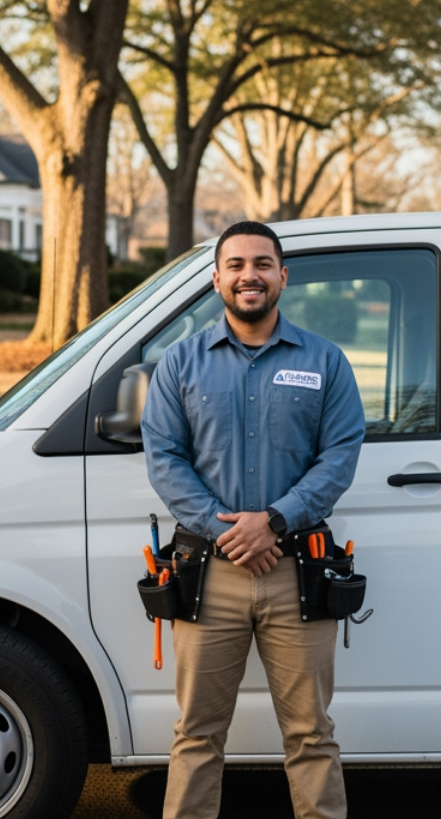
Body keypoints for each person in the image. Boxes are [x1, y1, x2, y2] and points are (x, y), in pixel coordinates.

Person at [142, 220, 366, 819]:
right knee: (195, 734)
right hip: (208, 576)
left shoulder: (326, 362)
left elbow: (340, 455)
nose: (250, 275)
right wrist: (230, 532)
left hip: (299, 573)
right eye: (237, 264)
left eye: (263, 264)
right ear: (217, 279)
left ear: (282, 277)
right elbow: (164, 460)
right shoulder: (179, 365)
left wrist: (275, 520)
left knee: (311, 735)